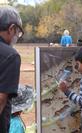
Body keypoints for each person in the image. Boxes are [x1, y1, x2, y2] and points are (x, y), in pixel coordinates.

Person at [0, 5, 23, 133]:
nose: (16, 37)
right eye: (17, 33)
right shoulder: (11, 55)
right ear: (11, 29)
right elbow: (1, 99)